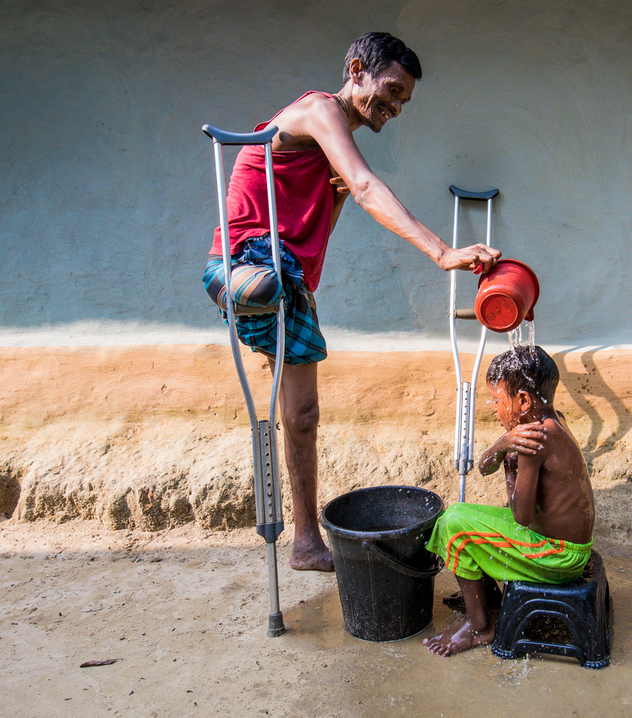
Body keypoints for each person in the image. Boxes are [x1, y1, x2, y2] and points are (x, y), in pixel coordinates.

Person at [203, 32, 501, 572]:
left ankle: (305, 542)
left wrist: (336, 202)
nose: (393, 107)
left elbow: (322, 223)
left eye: (404, 101)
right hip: (251, 260)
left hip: (290, 278)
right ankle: (234, 285)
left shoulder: (325, 148)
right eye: (390, 90)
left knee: (302, 415)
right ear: (357, 68)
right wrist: (442, 253)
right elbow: (365, 186)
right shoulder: (319, 110)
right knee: (270, 300)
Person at [422, 346, 595, 656]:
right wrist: (502, 445)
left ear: (524, 401)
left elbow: (521, 517)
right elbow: (483, 466)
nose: (494, 408)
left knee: (455, 525)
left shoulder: (533, 442)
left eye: (498, 400)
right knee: (460, 512)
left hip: (556, 556)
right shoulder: (552, 420)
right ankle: (483, 597)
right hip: (562, 546)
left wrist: (511, 467)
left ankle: (480, 626)